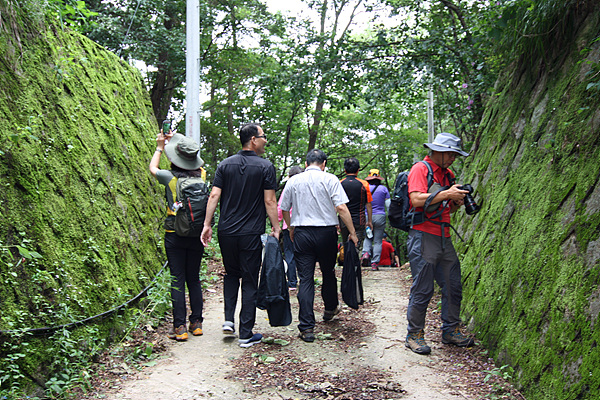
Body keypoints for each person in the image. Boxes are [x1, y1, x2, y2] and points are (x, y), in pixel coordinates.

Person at [200, 123, 281, 348]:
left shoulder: (225, 165)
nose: (266, 140)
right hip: (250, 233)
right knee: (249, 279)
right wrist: (276, 227)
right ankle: (246, 333)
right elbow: (269, 200)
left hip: (226, 232)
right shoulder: (266, 167)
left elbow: (214, 195)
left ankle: (228, 320)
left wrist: (207, 225)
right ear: (253, 140)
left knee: (231, 274)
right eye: (264, 136)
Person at [405, 132, 475, 355]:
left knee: (453, 284)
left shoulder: (449, 174)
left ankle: (451, 330)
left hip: (444, 236)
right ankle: (414, 335)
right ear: (439, 151)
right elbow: (416, 199)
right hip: (423, 235)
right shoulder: (421, 169)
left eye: (455, 155)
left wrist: (456, 201)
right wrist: (446, 194)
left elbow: (448, 209)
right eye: (451, 154)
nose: (453, 158)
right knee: (423, 287)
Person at [279, 149, 358, 343]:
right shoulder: (330, 179)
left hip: (303, 233)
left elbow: (284, 208)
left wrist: (291, 227)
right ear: (323, 164)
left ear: (306, 164)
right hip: (326, 233)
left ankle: (306, 327)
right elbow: (340, 207)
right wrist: (353, 233)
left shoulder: (294, 180)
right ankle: (330, 309)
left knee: (305, 278)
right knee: (328, 272)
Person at [149, 129, 206, 341]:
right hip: (197, 233)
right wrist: (178, 139)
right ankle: (197, 323)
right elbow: (190, 155)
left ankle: (180, 327)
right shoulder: (202, 174)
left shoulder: (169, 178)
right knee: (194, 278)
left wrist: (160, 146)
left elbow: (152, 168)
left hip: (174, 233)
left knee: (177, 279)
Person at [277, 166, 304, 290]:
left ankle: (292, 282)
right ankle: (305, 281)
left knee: (290, 254)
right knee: (304, 253)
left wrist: (276, 223)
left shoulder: (288, 187)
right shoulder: (306, 186)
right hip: (305, 224)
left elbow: (281, 207)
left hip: (289, 225)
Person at [339, 158, 372, 256]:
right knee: (356, 245)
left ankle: (347, 268)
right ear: (358, 170)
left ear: (345, 170)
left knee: (346, 244)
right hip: (359, 220)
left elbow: (336, 204)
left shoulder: (340, 183)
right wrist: (369, 221)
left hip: (343, 220)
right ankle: (354, 268)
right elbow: (368, 204)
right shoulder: (364, 184)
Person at [361, 169, 390, 271]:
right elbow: (388, 205)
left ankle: (365, 253)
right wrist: (390, 216)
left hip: (367, 216)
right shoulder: (384, 189)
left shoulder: (365, 188)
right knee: (378, 241)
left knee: (368, 237)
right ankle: (374, 263)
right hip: (380, 216)